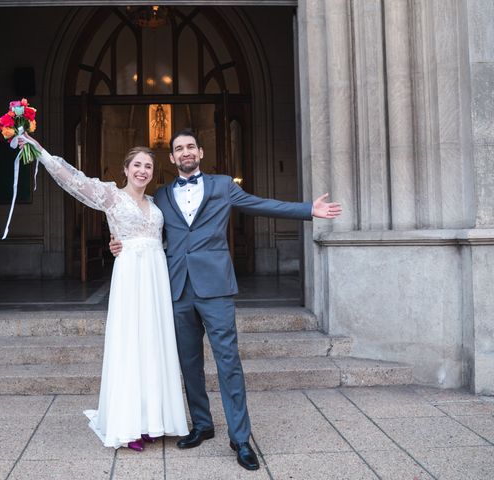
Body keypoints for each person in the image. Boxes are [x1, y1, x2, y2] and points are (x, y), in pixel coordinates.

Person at [110, 128, 342, 470]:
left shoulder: (222, 186)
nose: (186, 152)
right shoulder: (159, 195)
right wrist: (116, 244)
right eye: (179, 149)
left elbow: (261, 204)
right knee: (189, 364)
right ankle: (202, 424)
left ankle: (241, 438)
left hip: (216, 287)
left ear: (200, 152)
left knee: (228, 363)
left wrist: (309, 210)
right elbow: (139, 225)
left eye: (191, 147)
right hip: (177, 290)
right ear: (172, 158)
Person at [18, 133, 189, 451]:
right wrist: (39, 150)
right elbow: (73, 180)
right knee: (130, 344)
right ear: (125, 169)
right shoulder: (111, 196)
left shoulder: (155, 203)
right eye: (137, 165)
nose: (142, 170)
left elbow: (164, 238)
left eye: (148, 166)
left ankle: (154, 419)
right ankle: (129, 426)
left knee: (154, 343)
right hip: (130, 277)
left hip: (156, 276)